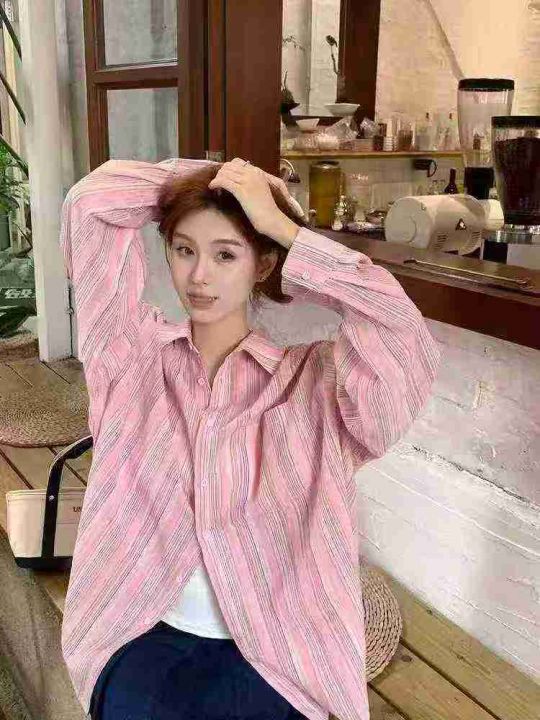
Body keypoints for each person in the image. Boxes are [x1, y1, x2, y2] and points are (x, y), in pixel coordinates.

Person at [59, 156, 442, 720]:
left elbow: (400, 333)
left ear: (262, 263)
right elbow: (91, 204)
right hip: (141, 633)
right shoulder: (129, 361)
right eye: (184, 250)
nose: (199, 276)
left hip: (279, 656)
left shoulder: (315, 387)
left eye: (225, 254)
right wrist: (226, 176)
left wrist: (285, 227)